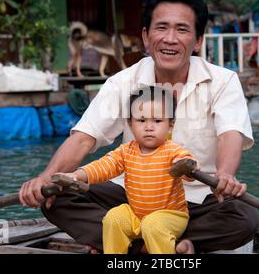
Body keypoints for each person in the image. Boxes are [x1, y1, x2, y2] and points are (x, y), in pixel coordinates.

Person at [19, 0, 259, 254]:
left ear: (198, 40)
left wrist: (225, 175)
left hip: (199, 198)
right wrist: (44, 178)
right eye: (161, 28)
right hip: (133, 198)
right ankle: (155, 246)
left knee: (244, 218)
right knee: (58, 197)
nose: (170, 39)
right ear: (146, 36)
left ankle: (134, 243)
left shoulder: (223, 81)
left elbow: (230, 136)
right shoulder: (123, 82)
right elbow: (83, 139)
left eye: (182, 30)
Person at [54, 86, 198, 254]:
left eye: (157, 121)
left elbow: (188, 165)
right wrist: (76, 176)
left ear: (170, 125)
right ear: (130, 124)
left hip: (171, 215)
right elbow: (103, 166)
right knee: (114, 217)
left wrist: (187, 165)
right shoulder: (125, 151)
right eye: (141, 120)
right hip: (137, 214)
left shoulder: (173, 151)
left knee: (153, 224)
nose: (149, 127)